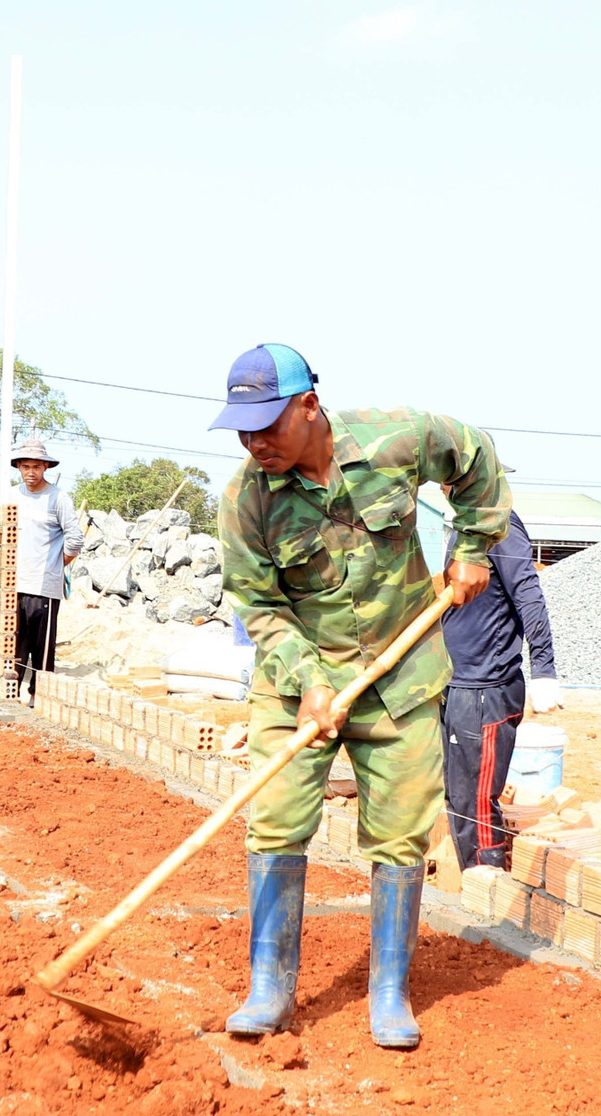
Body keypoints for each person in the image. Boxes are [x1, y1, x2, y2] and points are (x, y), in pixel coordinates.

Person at [214, 343, 507, 1049]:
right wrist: (311, 682)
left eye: (267, 424)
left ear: (308, 405)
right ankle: (270, 986)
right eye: (242, 429)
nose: (255, 442)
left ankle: (389, 990)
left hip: (399, 678)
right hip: (298, 681)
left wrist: (473, 545)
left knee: (401, 832)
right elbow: (258, 604)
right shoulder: (246, 497)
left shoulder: (394, 439)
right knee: (276, 820)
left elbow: (475, 457)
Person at [441, 509, 561, 870]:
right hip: (457, 681)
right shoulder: (464, 526)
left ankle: (485, 881)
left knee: (475, 799)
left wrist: (544, 668)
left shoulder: (501, 526)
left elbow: (528, 593)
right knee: (457, 793)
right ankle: (469, 881)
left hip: (485, 689)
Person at [5, 438, 83, 704]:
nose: (31, 472)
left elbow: (75, 539)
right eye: (25, 466)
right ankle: (11, 695)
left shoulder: (58, 498)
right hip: (14, 584)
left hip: (44, 587)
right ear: (18, 467)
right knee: (14, 644)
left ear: (46, 467)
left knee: (42, 648)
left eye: (36, 466)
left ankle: (39, 696)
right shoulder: (12, 496)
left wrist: (55, 565)